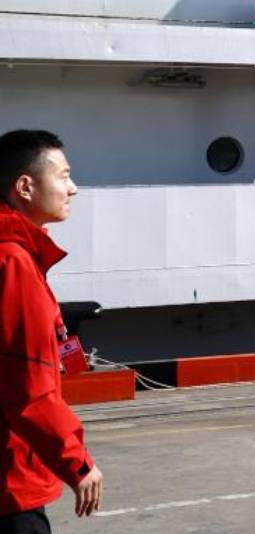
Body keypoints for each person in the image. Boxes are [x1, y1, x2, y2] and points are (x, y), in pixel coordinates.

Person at [0, 130, 103, 532]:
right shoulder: (14, 263)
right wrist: (77, 462)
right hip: (10, 484)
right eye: (63, 176)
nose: (73, 188)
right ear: (25, 186)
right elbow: (26, 387)